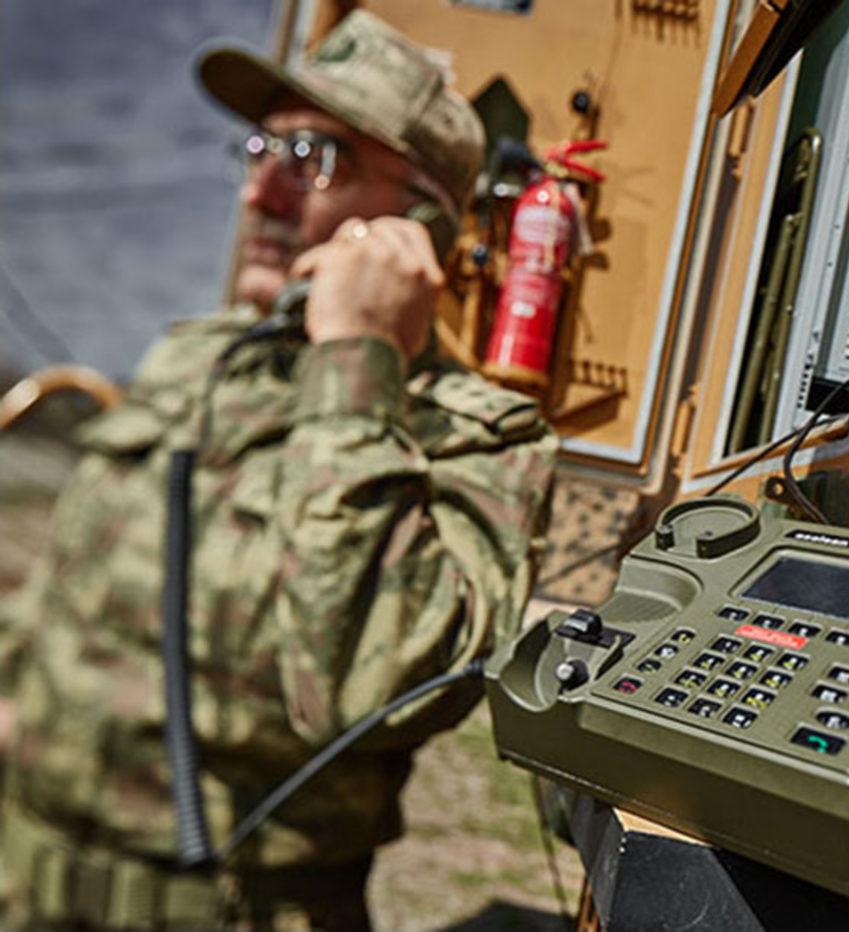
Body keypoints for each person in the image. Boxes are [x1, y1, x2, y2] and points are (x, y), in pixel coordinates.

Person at [0, 11, 556, 929]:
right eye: (261, 150)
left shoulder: (476, 438)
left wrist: (359, 359)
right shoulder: (198, 358)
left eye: (312, 158)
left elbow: (363, 688)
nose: (260, 193)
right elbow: (77, 583)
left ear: (416, 222)